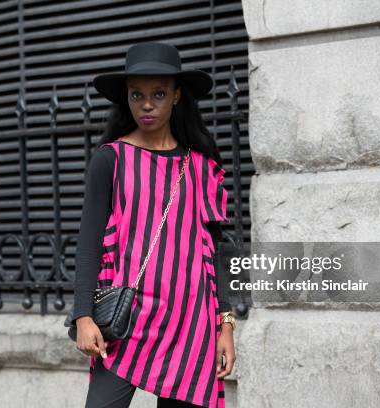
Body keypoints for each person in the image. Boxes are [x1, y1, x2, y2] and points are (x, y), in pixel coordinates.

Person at [72, 42, 236, 408]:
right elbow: (89, 244)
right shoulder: (110, 159)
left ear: (177, 96)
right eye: (137, 95)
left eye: (159, 94)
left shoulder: (201, 166)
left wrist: (224, 323)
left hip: (190, 323)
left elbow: (216, 249)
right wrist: (83, 316)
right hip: (126, 321)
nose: (147, 105)